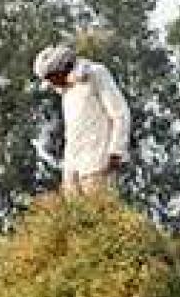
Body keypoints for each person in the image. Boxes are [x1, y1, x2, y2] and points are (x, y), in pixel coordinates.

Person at [33, 45, 131, 194]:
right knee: (73, 215)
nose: (52, 84)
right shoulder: (66, 91)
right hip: (73, 166)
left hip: (98, 162)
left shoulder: (95, 74)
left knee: (99, 214)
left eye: (52, 78)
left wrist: (116, 151)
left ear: (62, 69)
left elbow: (120, 114)